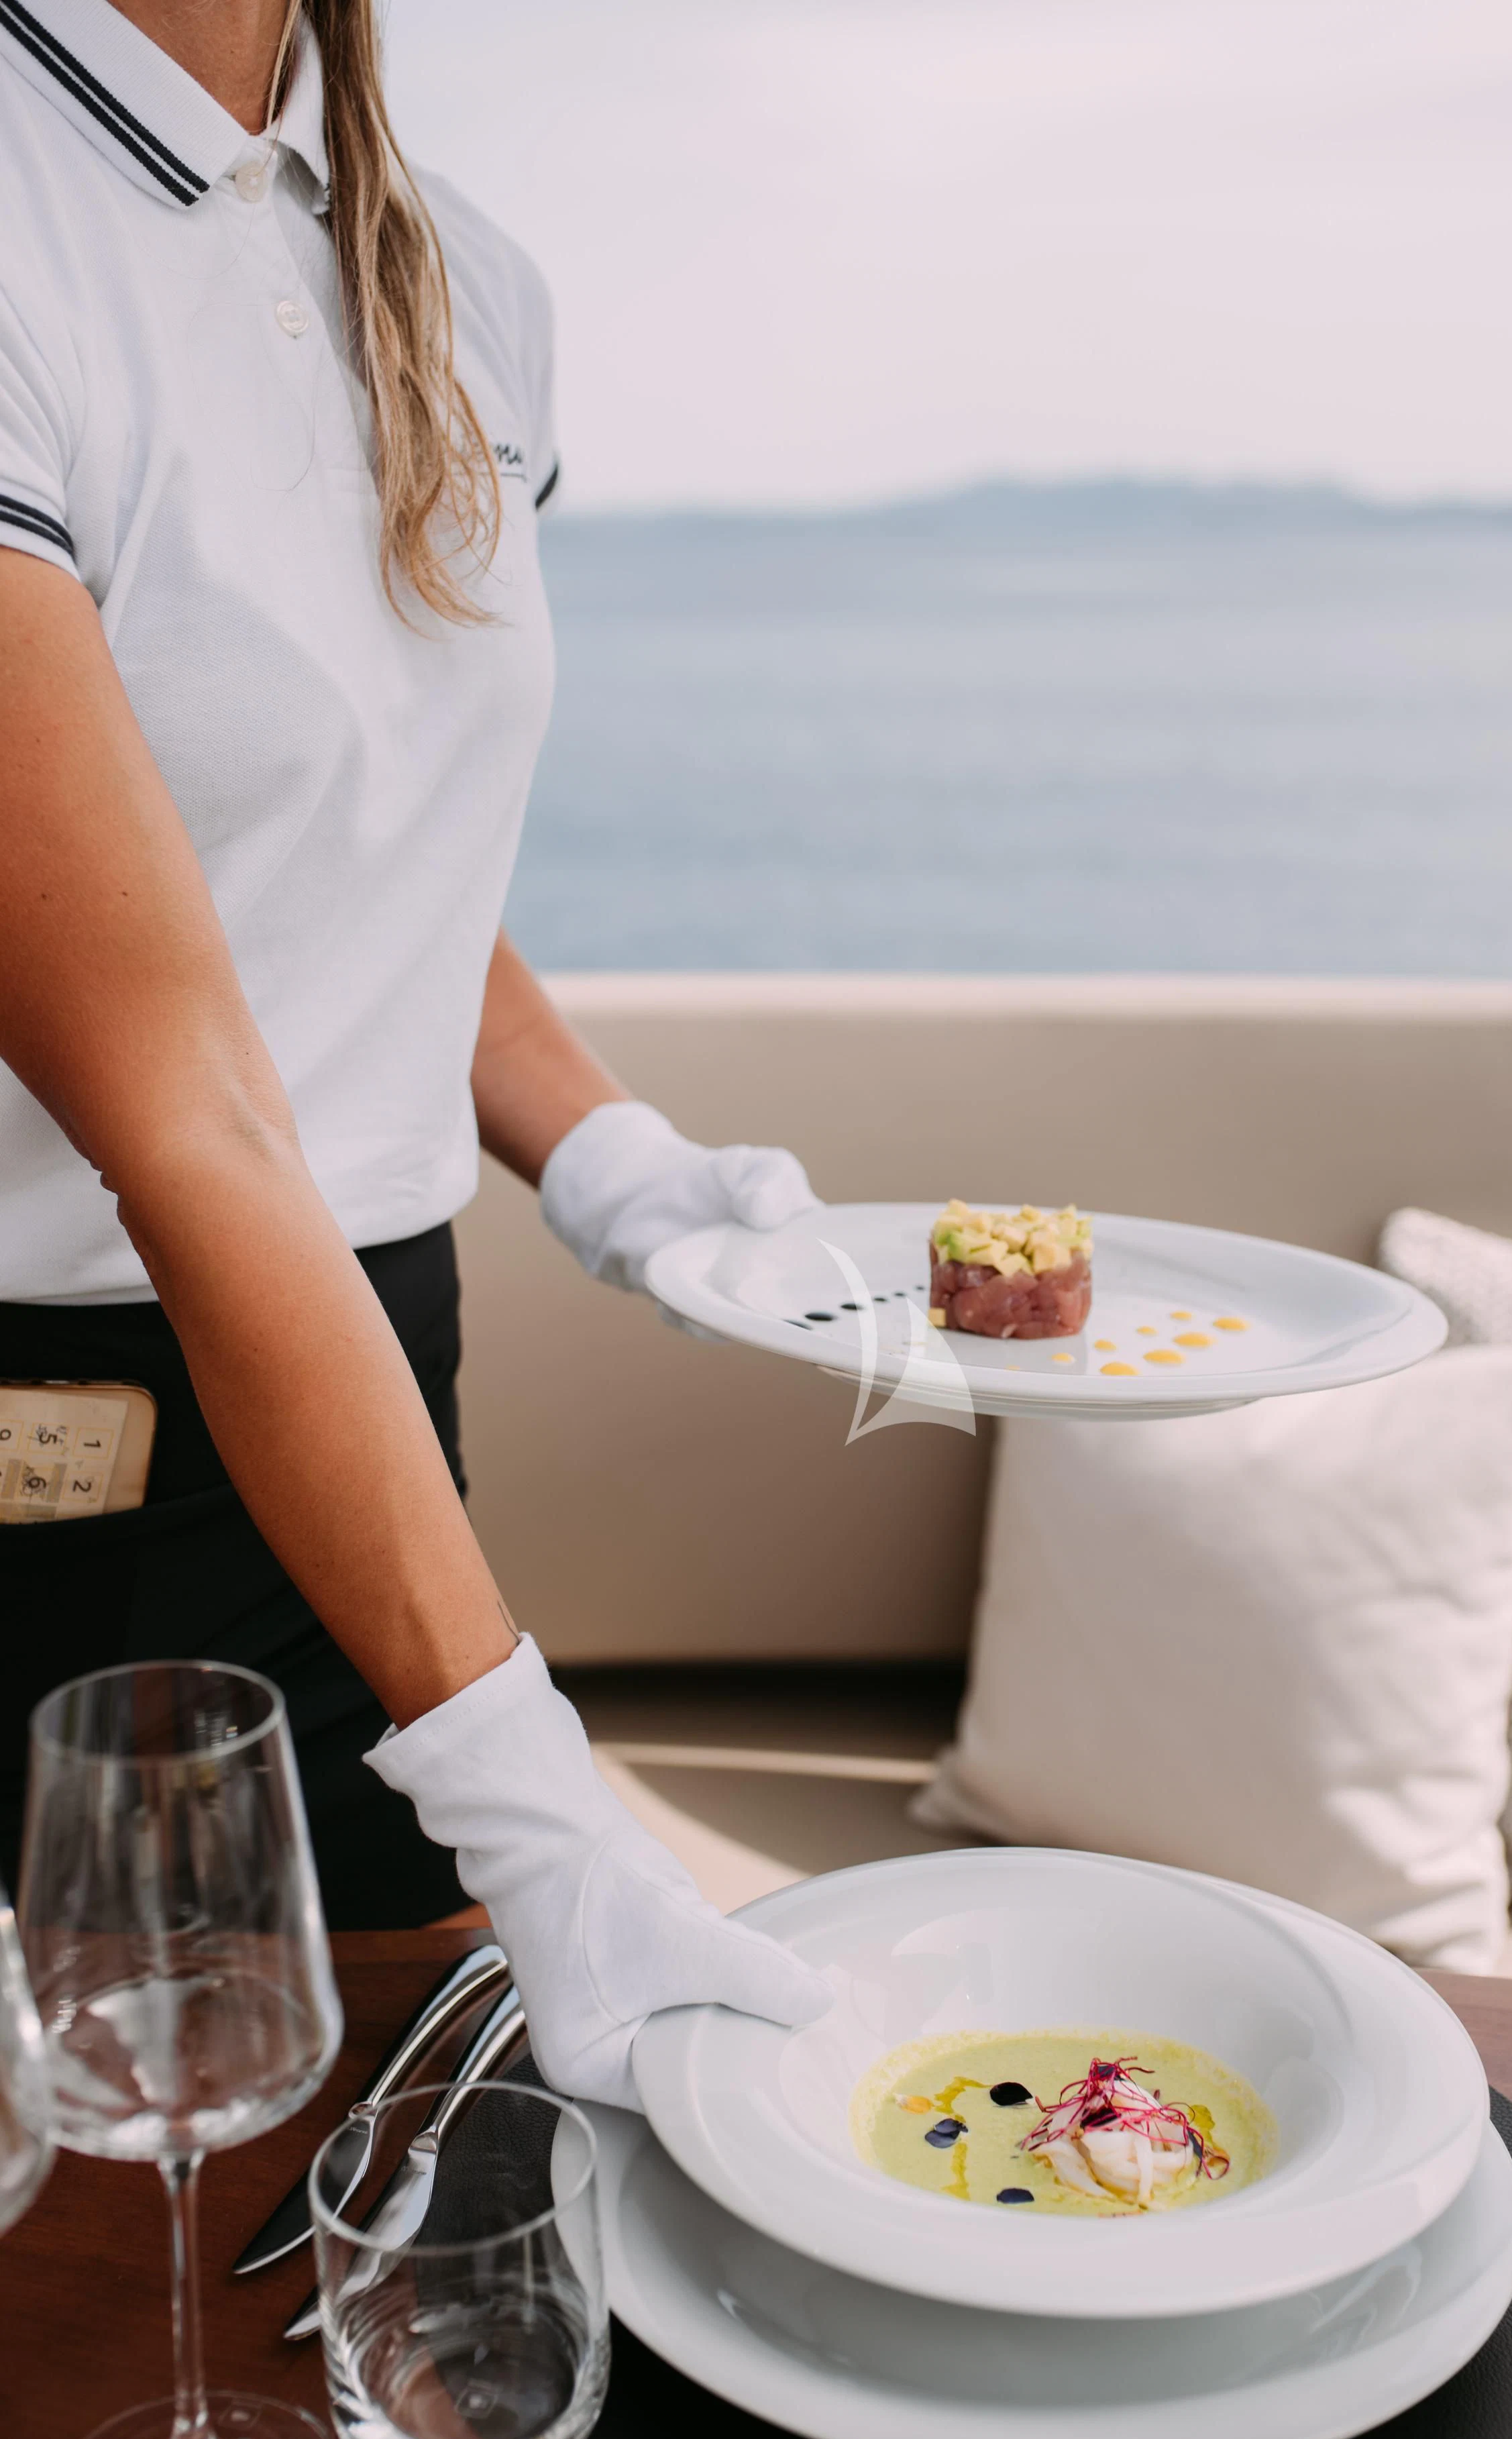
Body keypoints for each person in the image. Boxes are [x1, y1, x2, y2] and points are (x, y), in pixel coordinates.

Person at [0, 0, 831, 2105]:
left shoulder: (466, 283)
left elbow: (353, 861)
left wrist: (616, 1161)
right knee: (95, 2284)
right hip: (47, 1453)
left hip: (360, 1403)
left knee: (371, 2243)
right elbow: (176, 1107)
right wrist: (528, 1789)